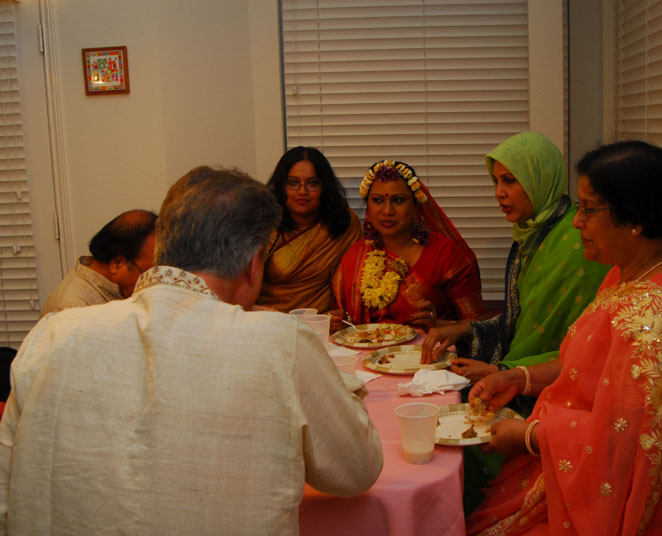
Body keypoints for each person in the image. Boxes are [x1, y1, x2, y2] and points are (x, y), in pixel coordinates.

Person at [0, 166, 383, 535]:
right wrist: (342, 384)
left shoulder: (52, 335)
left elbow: (6, 496)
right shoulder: (280, 343)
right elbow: (357, 469)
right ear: (254, 265)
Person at [466, 140, 662, 535]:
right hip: (603, 464)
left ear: (634, 218)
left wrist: (529, 436)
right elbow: (587, 370)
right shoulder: (632, 271)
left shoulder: (653, 316)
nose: (576, 222)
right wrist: (518, 378)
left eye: (588, 210)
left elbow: (625, 445)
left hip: (649, 497)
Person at [421, 132, 608, 398]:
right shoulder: (533, 234)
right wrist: (462, 329)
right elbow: (522, 322)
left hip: (558, 394)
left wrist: (502, 371)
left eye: (509, 180)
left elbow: (587, 351)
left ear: (539, 179)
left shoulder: (578, 245)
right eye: (496, 181)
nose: (499, 193)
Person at [332, 159, 485, 328]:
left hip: (432, 345)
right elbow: (347, 323)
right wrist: (339, 323)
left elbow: (479, 328)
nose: (387, 211)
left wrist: (438, 323)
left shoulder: (448, 256)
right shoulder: (354, 257)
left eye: (398, 200)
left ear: (416, 206)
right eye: (377, 200)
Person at [256, 146, 361, 313]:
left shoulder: (343, 224)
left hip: (323, 321)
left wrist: (340, 315)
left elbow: (354, 282)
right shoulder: (264, 224)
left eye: (312, 183)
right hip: (269, 319)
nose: (302, 191)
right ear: (282, 186)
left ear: (324, 187)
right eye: (293, 183)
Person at [39, 209, 157, 316]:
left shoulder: (116, 287)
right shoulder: (76, 307)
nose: (154, 281)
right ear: (117, 263)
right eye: (148, 273)